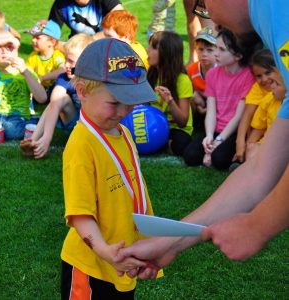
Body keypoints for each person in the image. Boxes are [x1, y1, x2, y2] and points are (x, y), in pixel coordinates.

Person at [114, 0, 289, 276]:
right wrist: (170, 242)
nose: (213, 22)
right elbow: (259, 171)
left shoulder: (278, 16)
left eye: (201, 5)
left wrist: (259, 224)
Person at [60, 38, 162, 299]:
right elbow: (80, 214)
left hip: (122, 258)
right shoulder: (81, 145)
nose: (124, 110)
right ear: (82, 91)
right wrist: (105, 251)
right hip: (92, 266)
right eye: (115, 102)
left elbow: (132, 194)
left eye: (130, 101)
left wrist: (145, 245)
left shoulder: (124, 132)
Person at [183, 28, 254, 170]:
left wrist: (219, 140)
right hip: (216, 127)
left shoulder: (248, 76)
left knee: (219, 159)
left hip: (234, 131)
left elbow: (238, 117)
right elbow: (211, 111)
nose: (215, 53)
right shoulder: (212, 74)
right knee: (190, 156)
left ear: (238, 55)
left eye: (221, 49)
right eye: (215, 47)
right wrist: (209, 136)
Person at [20, 33, 93, 159]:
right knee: (59, 99)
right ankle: (35, 140)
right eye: (66, 59)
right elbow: (54, 104)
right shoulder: (64, 78)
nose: (66, 65)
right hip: (75, 125)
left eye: (71, 61)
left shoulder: (96, 80)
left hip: (94, 128)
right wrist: (47, 138)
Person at [0, 30, 46, 140]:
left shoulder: (25, 71)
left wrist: (25, 72)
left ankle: (32, 124)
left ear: (16, 51)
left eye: (9, 47)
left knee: (12, 132)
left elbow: (42, 98)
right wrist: (1, 41)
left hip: (16, 116)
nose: (4, 51)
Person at [147, 31, 194, 156]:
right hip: (154, 125)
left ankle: (161, 144)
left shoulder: (182, 80)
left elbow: (183, 122)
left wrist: (170, 101)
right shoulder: (151, 74)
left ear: (165, 53)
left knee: (182, 144)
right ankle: (163, 144)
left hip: (175, 128)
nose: (147, 50)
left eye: (152, 47)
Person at [233, 49, 276, 165]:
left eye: (268, 73)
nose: (264, 79)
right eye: (259, 76)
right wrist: (241, 143)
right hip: (261, 134)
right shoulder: (259, 90)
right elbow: (247, 115)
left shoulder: (278, 94)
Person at [245, 69, 286, 160]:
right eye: (271, 82)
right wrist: (249, 144)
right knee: (253, 149)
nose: (271, 86)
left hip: (284, 147)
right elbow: (259, 128)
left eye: (277, 84)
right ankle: (249, 168)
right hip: (267, 145)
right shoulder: (269, 99)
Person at [26, 20, 65, 98]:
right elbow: (26, 70)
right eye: (33, 37)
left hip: (54, 87)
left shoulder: (57, 56)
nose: (33, 40)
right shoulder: (33, 56)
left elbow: (62, 70)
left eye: (37, 38)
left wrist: (42, 78)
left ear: (52, 42)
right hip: (41, 87)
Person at [48, 0, 123, 40]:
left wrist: (91, 40)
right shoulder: (61, 3)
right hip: (79, 49)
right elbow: (49, 34)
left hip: (106, 44)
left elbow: (121, 21)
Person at [187, 26, 217, 116]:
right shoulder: (192, 69)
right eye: (201, 49)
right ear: (195, 48)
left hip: (219, 104)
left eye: (210, 50)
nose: (204, 54)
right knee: (193, 96)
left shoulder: (222, 70)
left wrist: (208, 109)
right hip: (202, 102)